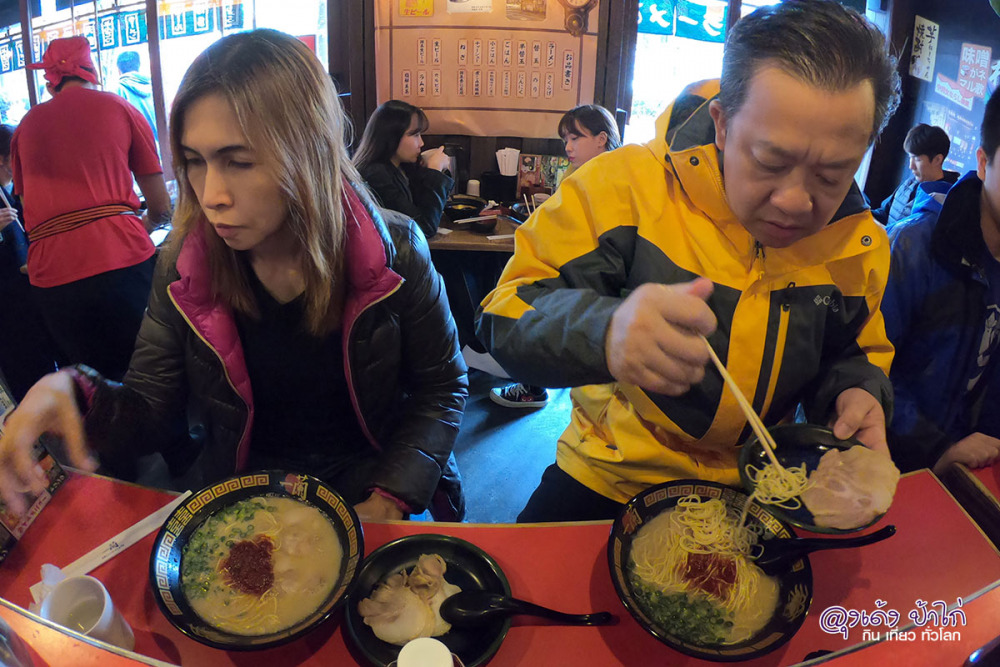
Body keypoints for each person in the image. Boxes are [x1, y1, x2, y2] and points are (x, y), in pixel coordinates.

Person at [0, 29, 468, 523]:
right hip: (247, 495)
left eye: (238, 162)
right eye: (195, 162)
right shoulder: (186, 263)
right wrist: (75, 392)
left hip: (369, 480)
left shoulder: (396, 249)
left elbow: (442, 386)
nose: (211, 196)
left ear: (309, 151)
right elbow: (150, 410)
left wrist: (391, 495)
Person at [477, 0, 900, 522]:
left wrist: (855, 391)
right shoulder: (625, 187)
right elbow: (504, 314)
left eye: (832, 175)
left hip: (758, 483)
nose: (795, 201)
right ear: (721, 124)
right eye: (770, 161)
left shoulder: (856, 243)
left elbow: (853, 351)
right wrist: (606, 331)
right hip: (611, 473)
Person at [12, 36, 171, 381]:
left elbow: (28, 214)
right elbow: (161, 207)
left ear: (50, 81)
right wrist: (131, 228)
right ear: (92, 70)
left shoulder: (24, 126)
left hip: (52, 279)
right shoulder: (119, 107)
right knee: (152, 376)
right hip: (122, 261)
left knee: (91, 385)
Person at [883, 93, 1000, 475]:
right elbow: (864, 368)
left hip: (964, 468)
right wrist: (937, 450)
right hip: (885, 463)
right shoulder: (915, 246)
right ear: (982, 163)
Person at [490, 103, 621, 409]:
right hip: (578, 265)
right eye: (566, 140)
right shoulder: (582, 173)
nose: (568, 147)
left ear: (601, 139)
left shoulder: (609, 175)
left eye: (576, 138)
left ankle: (532, 386)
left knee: (532, 299)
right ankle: (534, 383)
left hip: (590, 271)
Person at [0, 124, 56, 400]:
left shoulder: (20, 190)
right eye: (18, 156)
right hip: (8, 307)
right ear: (3, 159)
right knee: (26, 375)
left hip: (35, 291)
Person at [354, 100, 454, 238]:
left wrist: (427, 169)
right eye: (415, 135)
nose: (421, 143)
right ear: (391, 136)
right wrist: (435, 171)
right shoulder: (375, 175)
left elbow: (422, 209)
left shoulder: (401, 167)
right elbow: (423, 228)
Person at [870, 123, 959, 229]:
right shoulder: (910, 183)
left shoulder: (946, 200)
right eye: (910, 157)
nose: (911, 166)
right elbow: (884, 213)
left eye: (917, 159)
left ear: (937, 159)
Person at [559, 103, 622, 170]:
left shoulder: (620, 174)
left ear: (601, 139)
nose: (567, 148)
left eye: (574, 138)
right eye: (566, 141)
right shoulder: (574, 171)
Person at [115, 50, 158, 145]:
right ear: (139, 65)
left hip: (138, 149)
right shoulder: (156, 87)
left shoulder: (118, 90)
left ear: (118, 69)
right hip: (160, 148)